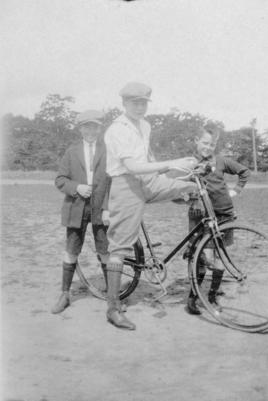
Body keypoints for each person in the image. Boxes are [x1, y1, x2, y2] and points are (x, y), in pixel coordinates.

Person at [104, 81, 198, 330]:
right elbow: (132, 167)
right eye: (135, 102)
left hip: (147, 180)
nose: (140, 107)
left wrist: (179, 173)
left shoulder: (144, 125)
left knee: (191, 185)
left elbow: (147, 159)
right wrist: (171, 163)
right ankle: (113, 307)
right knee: (120, 247)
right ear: (124, 104)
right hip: (126, 184)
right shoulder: (116, 129)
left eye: (144, 102)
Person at [186, 126, 250, 315]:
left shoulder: (221, 161)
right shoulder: (189, 163)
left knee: (219, 255)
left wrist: (236, 190)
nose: (208, 147)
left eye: (212, 144)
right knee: (200, 255)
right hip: (199, 215)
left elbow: (244, 172)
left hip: (223, 214)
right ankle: (193, 296)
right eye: (205, 143)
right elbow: (177, 187)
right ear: (196, 140)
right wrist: (186, 196)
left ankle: (213, 295)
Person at [52, 110, 110, 314]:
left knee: (105, 251)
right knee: (71, 250)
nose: (91, 131)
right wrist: (76, 187)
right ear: (81, 129)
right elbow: (60, 180)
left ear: (99, 129)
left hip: (100, 208)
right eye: (87, 127)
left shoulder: (107, 150)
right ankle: (65, 294)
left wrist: (107, 208)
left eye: (94, 127)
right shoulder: (71, 151)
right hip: (76, 207)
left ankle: (112, 298)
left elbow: (113, 181)